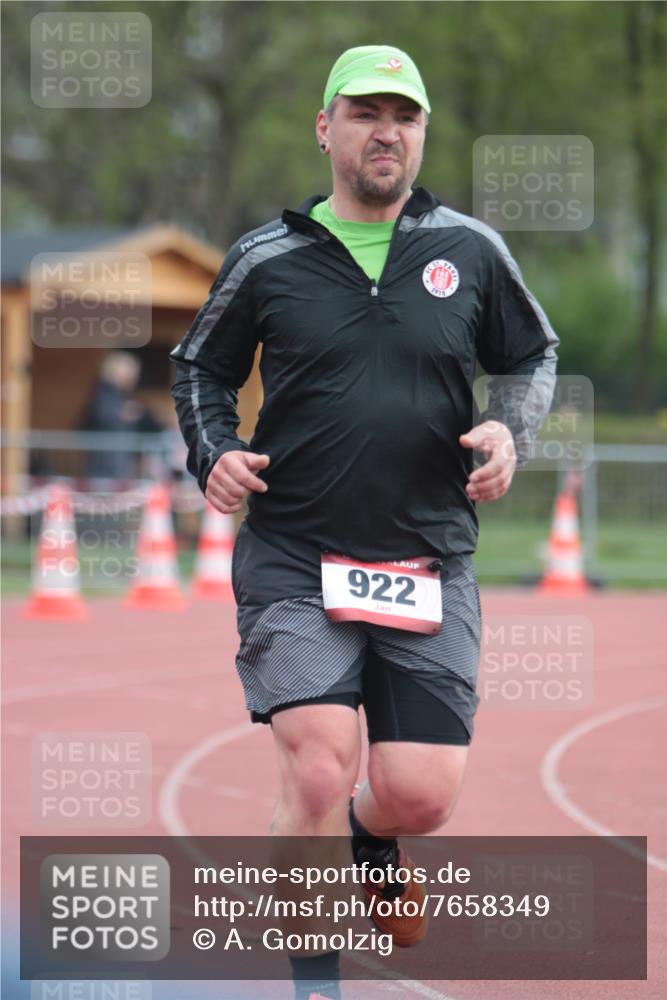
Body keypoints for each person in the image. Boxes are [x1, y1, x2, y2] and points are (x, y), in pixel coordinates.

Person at [171, 44, 558, 1000]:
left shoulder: (470, 251)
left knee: (421, 794)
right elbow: (198, 368)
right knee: (313, 767)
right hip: (296, 549)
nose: (387, 132)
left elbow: (534, 355)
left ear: (422, 133)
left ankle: (370, 834)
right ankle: (315, 982)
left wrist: (510, 434)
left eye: (405, 116)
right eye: (365, 113)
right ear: (325, 128)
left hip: (427, 553)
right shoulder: (268, 255)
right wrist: (212, 449)